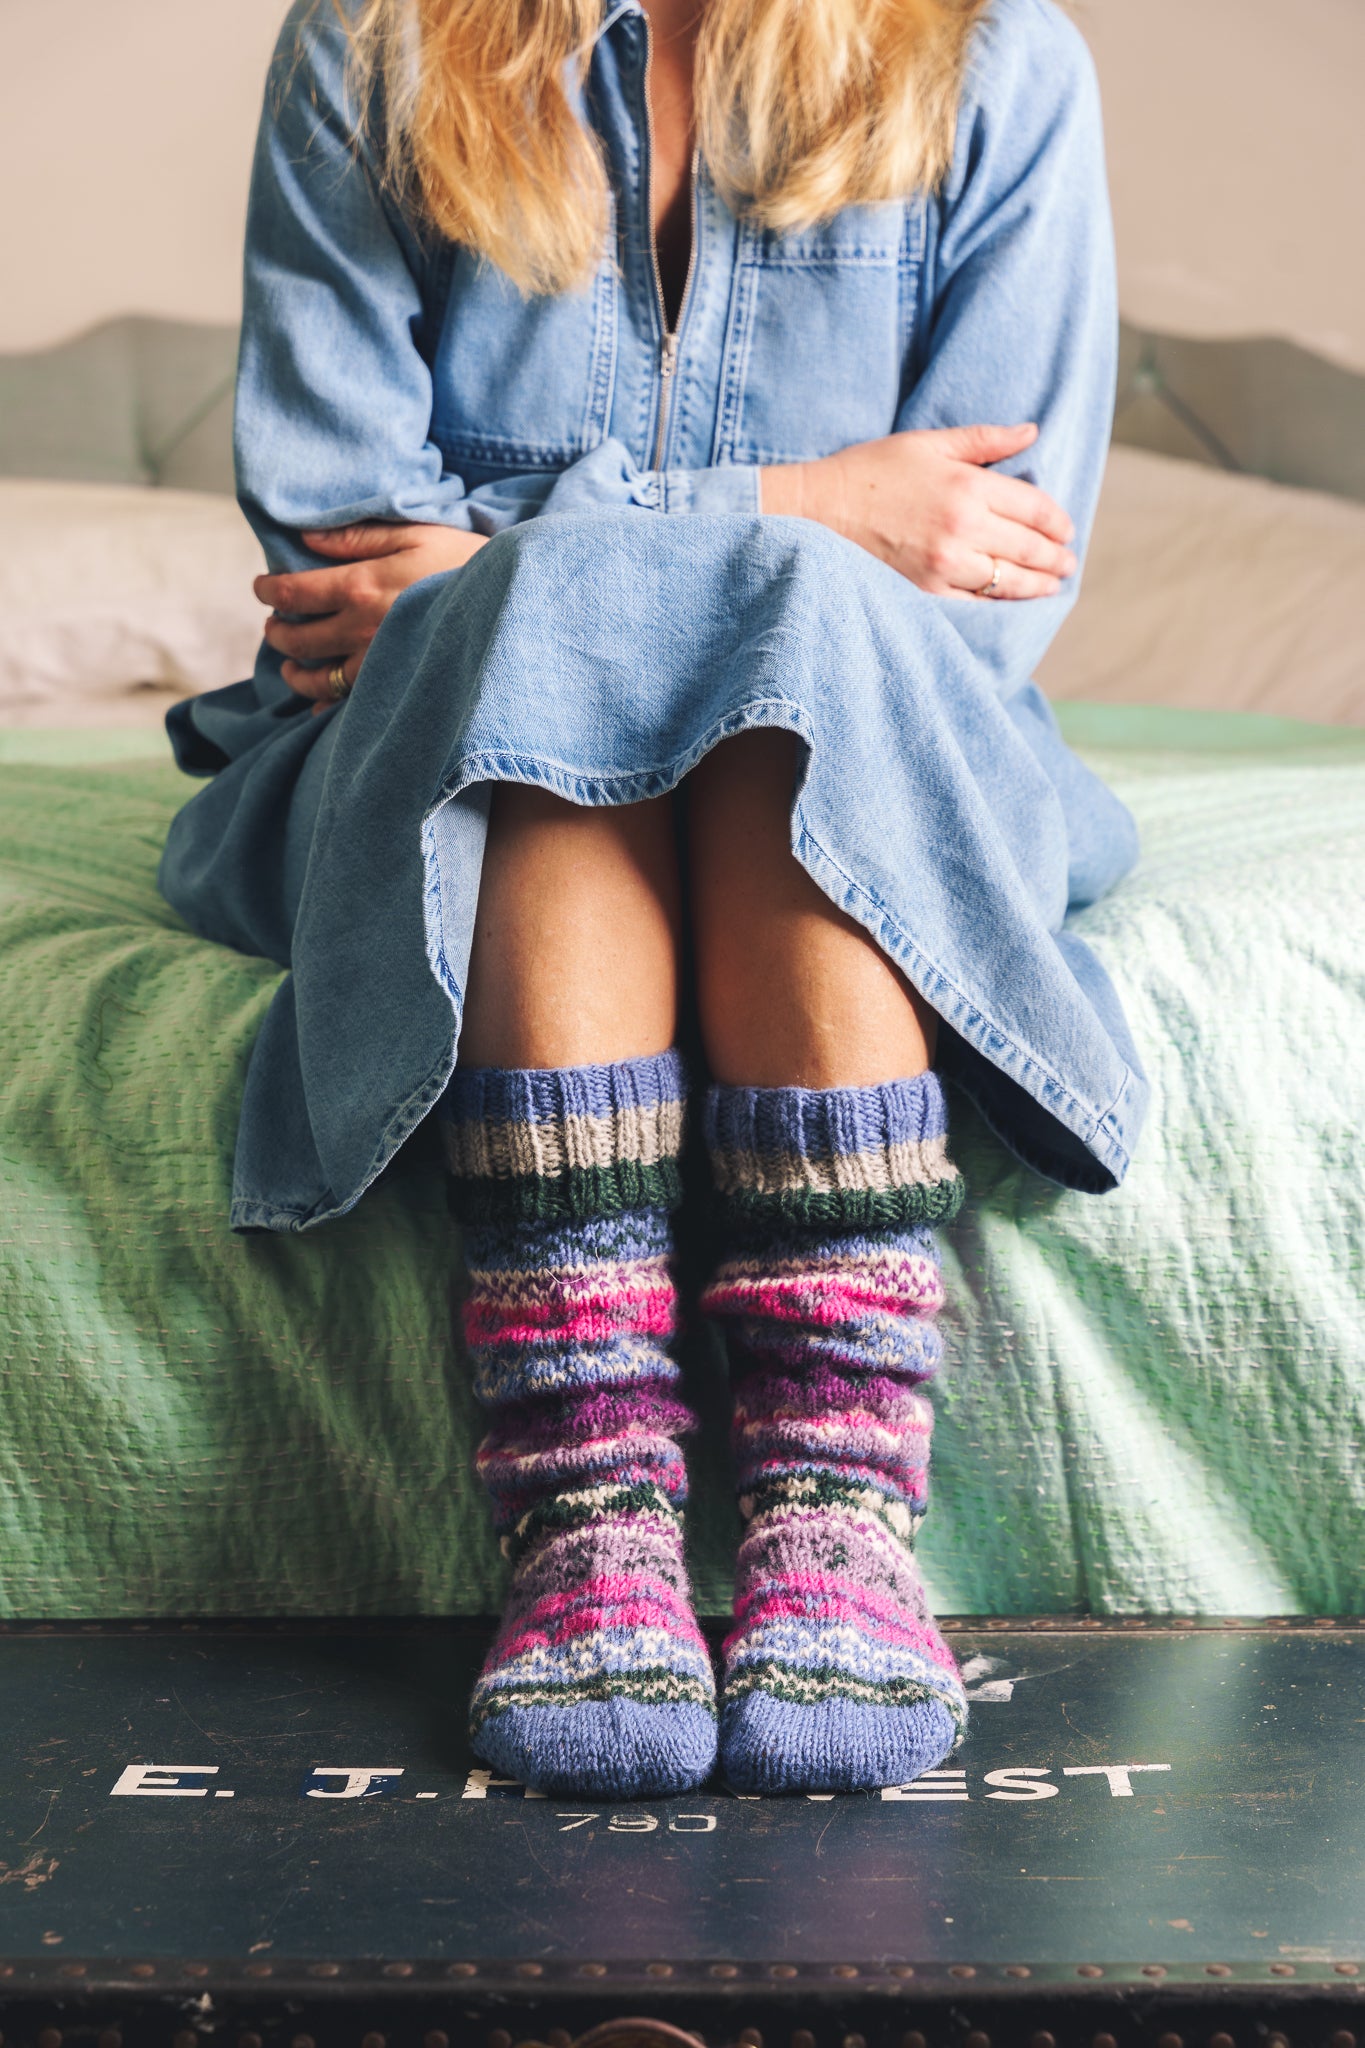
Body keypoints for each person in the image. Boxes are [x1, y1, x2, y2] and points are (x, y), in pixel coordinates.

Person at [158, 0, 1148, 1800]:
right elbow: (344, 553)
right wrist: (793, 504)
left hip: (860, 741)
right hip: (435, 747)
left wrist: (554, 547)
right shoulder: (372, 48)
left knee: (776, 660)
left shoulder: (994, 61)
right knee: (550, 664)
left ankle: (833, 1507)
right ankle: (591, 1502)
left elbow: (973, 592)